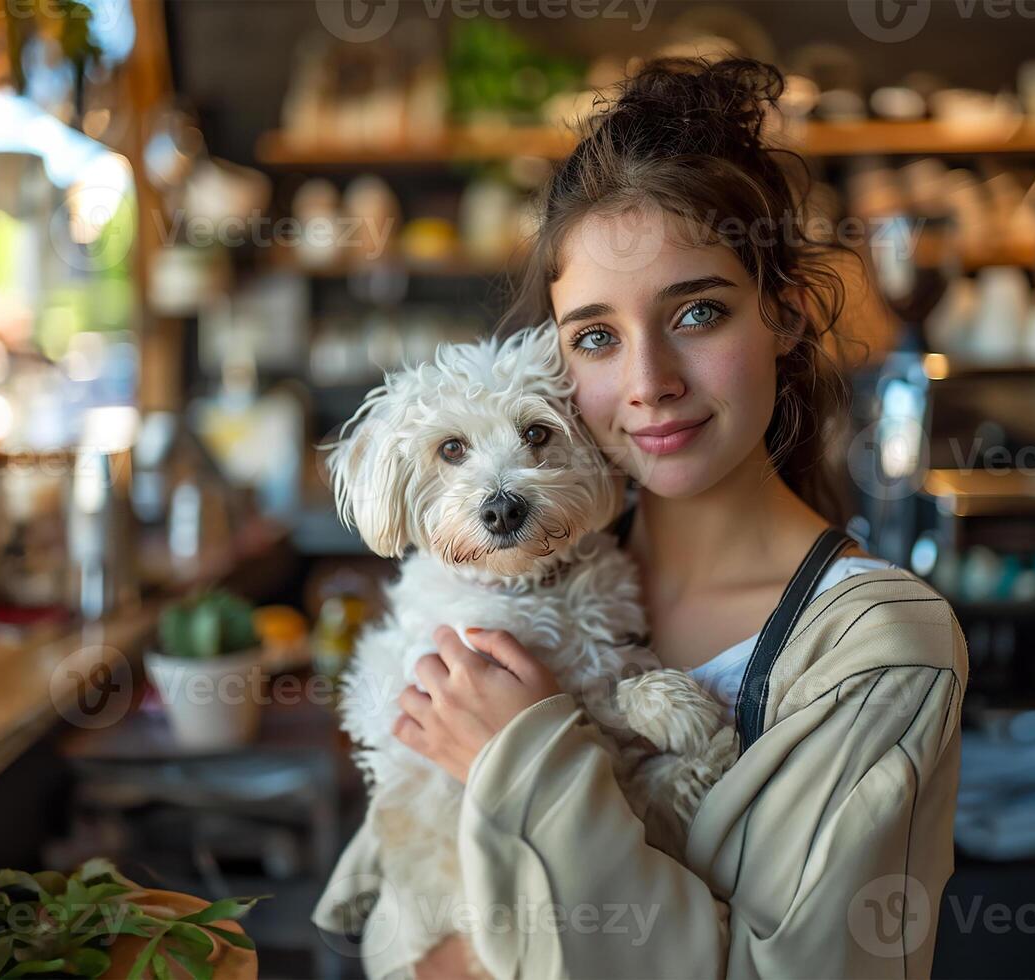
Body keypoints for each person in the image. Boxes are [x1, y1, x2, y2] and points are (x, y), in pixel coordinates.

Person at [392, 57, 968, 980]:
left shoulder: (879, 650)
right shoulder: (528, 571)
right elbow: (398, 913)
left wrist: (523, 758)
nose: (648, 381)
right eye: (594, 337)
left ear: (781, 314)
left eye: (696, 311)